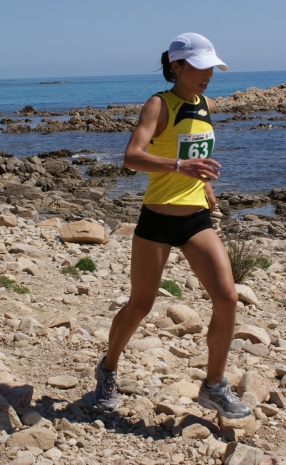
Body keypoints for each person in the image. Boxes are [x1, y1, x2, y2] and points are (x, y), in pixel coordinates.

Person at [94, 33, 251, 419]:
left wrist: (205, 184)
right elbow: (131, 157)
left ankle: (214, 386)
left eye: (211, 67)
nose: (208, 74)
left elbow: (195, 152)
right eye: (199, 66)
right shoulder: (158, 105)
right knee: (140, 305)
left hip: (196, 218)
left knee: (227, 298)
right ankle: (108, 368)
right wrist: (181, 168)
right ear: (176, 67)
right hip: (158, 221)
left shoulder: (206, 104)